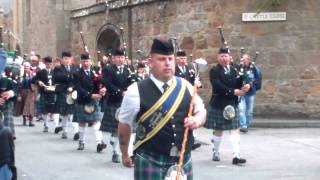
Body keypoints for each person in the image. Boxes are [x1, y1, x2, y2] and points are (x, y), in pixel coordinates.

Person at [118, 38, 206, 180]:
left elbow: (201, 110)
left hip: (182, 159)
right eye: (162, 59)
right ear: (150, 62)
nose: (167, 63)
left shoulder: (186, 86)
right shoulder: (135, 91)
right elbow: (124, 124)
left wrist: (197, 119)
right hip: (150, 159)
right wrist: (124, 153)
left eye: (170, 59)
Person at [204, 47, 250, 165]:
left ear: (230, 57)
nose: (224, 58)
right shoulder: (214, 70)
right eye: (222, 56)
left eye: (226, 56)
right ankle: (216, 151)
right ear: (218, 57)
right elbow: (218, 86)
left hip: (232, 103)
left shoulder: (235, 69)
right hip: (219, 104)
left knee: (234, 129)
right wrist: (234, 91)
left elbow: (241, 82)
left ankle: (236, 155)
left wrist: (246, 86)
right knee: (218, 130)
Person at [100, 49, 132, 162]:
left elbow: (130, 83)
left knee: (123, 127)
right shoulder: (108, 69)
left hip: (126, 101)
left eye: (122, 57)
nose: (120, 59)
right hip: (113, 100)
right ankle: (115, 152)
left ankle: (119, 149)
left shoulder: (128, 70)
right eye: (118, 57)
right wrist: (119, 91)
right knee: (115, 128)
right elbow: (107, 83)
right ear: (113, 58)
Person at [73, 54, 106, 151]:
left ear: (90, 62)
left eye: (87, 61)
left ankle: (99, 143)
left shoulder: (94, 73)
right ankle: (81, 142)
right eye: (84, 61)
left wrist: (102, 89)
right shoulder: (77, 74)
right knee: (82, 123)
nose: (86, 63)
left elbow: (99, 84)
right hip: (83, 100)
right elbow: (78, 88)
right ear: (81, 62)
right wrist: (90, 95)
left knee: (96, 121)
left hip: (93, 101)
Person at [52, 52, 79, 140]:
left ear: (71, 59)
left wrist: (72, 86)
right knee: (64, 113)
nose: (67, 60)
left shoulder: (74, 68)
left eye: (68, 59)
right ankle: (65, 131)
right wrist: (69, 76)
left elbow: (77, 79)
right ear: (62, 59)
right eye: (65, 59)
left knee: (71, 112)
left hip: (72, 92)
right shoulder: (58, 68)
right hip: (62, 92)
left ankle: (76, 132)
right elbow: (57, 77)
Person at [32, 56, 60, 133]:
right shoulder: (41, 72)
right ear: (45, 64)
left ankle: (56, 126)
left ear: (52, 64)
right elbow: (34, 79)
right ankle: (46, 125)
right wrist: (39, 82)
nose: (49, 65)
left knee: (54, 109)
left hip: (53, 92)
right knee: (45, 110)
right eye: (47, 64)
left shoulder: (55, 72)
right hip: (44, 92)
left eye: (50, 64)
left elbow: (59, 81)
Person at [238, 53, 262, 133]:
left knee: (249, 112)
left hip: (250, 93)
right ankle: (243, 126)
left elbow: (257, 80)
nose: (244, 61)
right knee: (241, 109)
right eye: (242, 59)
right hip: (241, 92)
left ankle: (247, 126)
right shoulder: (238, 68)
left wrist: (250, 85)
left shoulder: (254, 69)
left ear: (248, 60)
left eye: (245, 59)